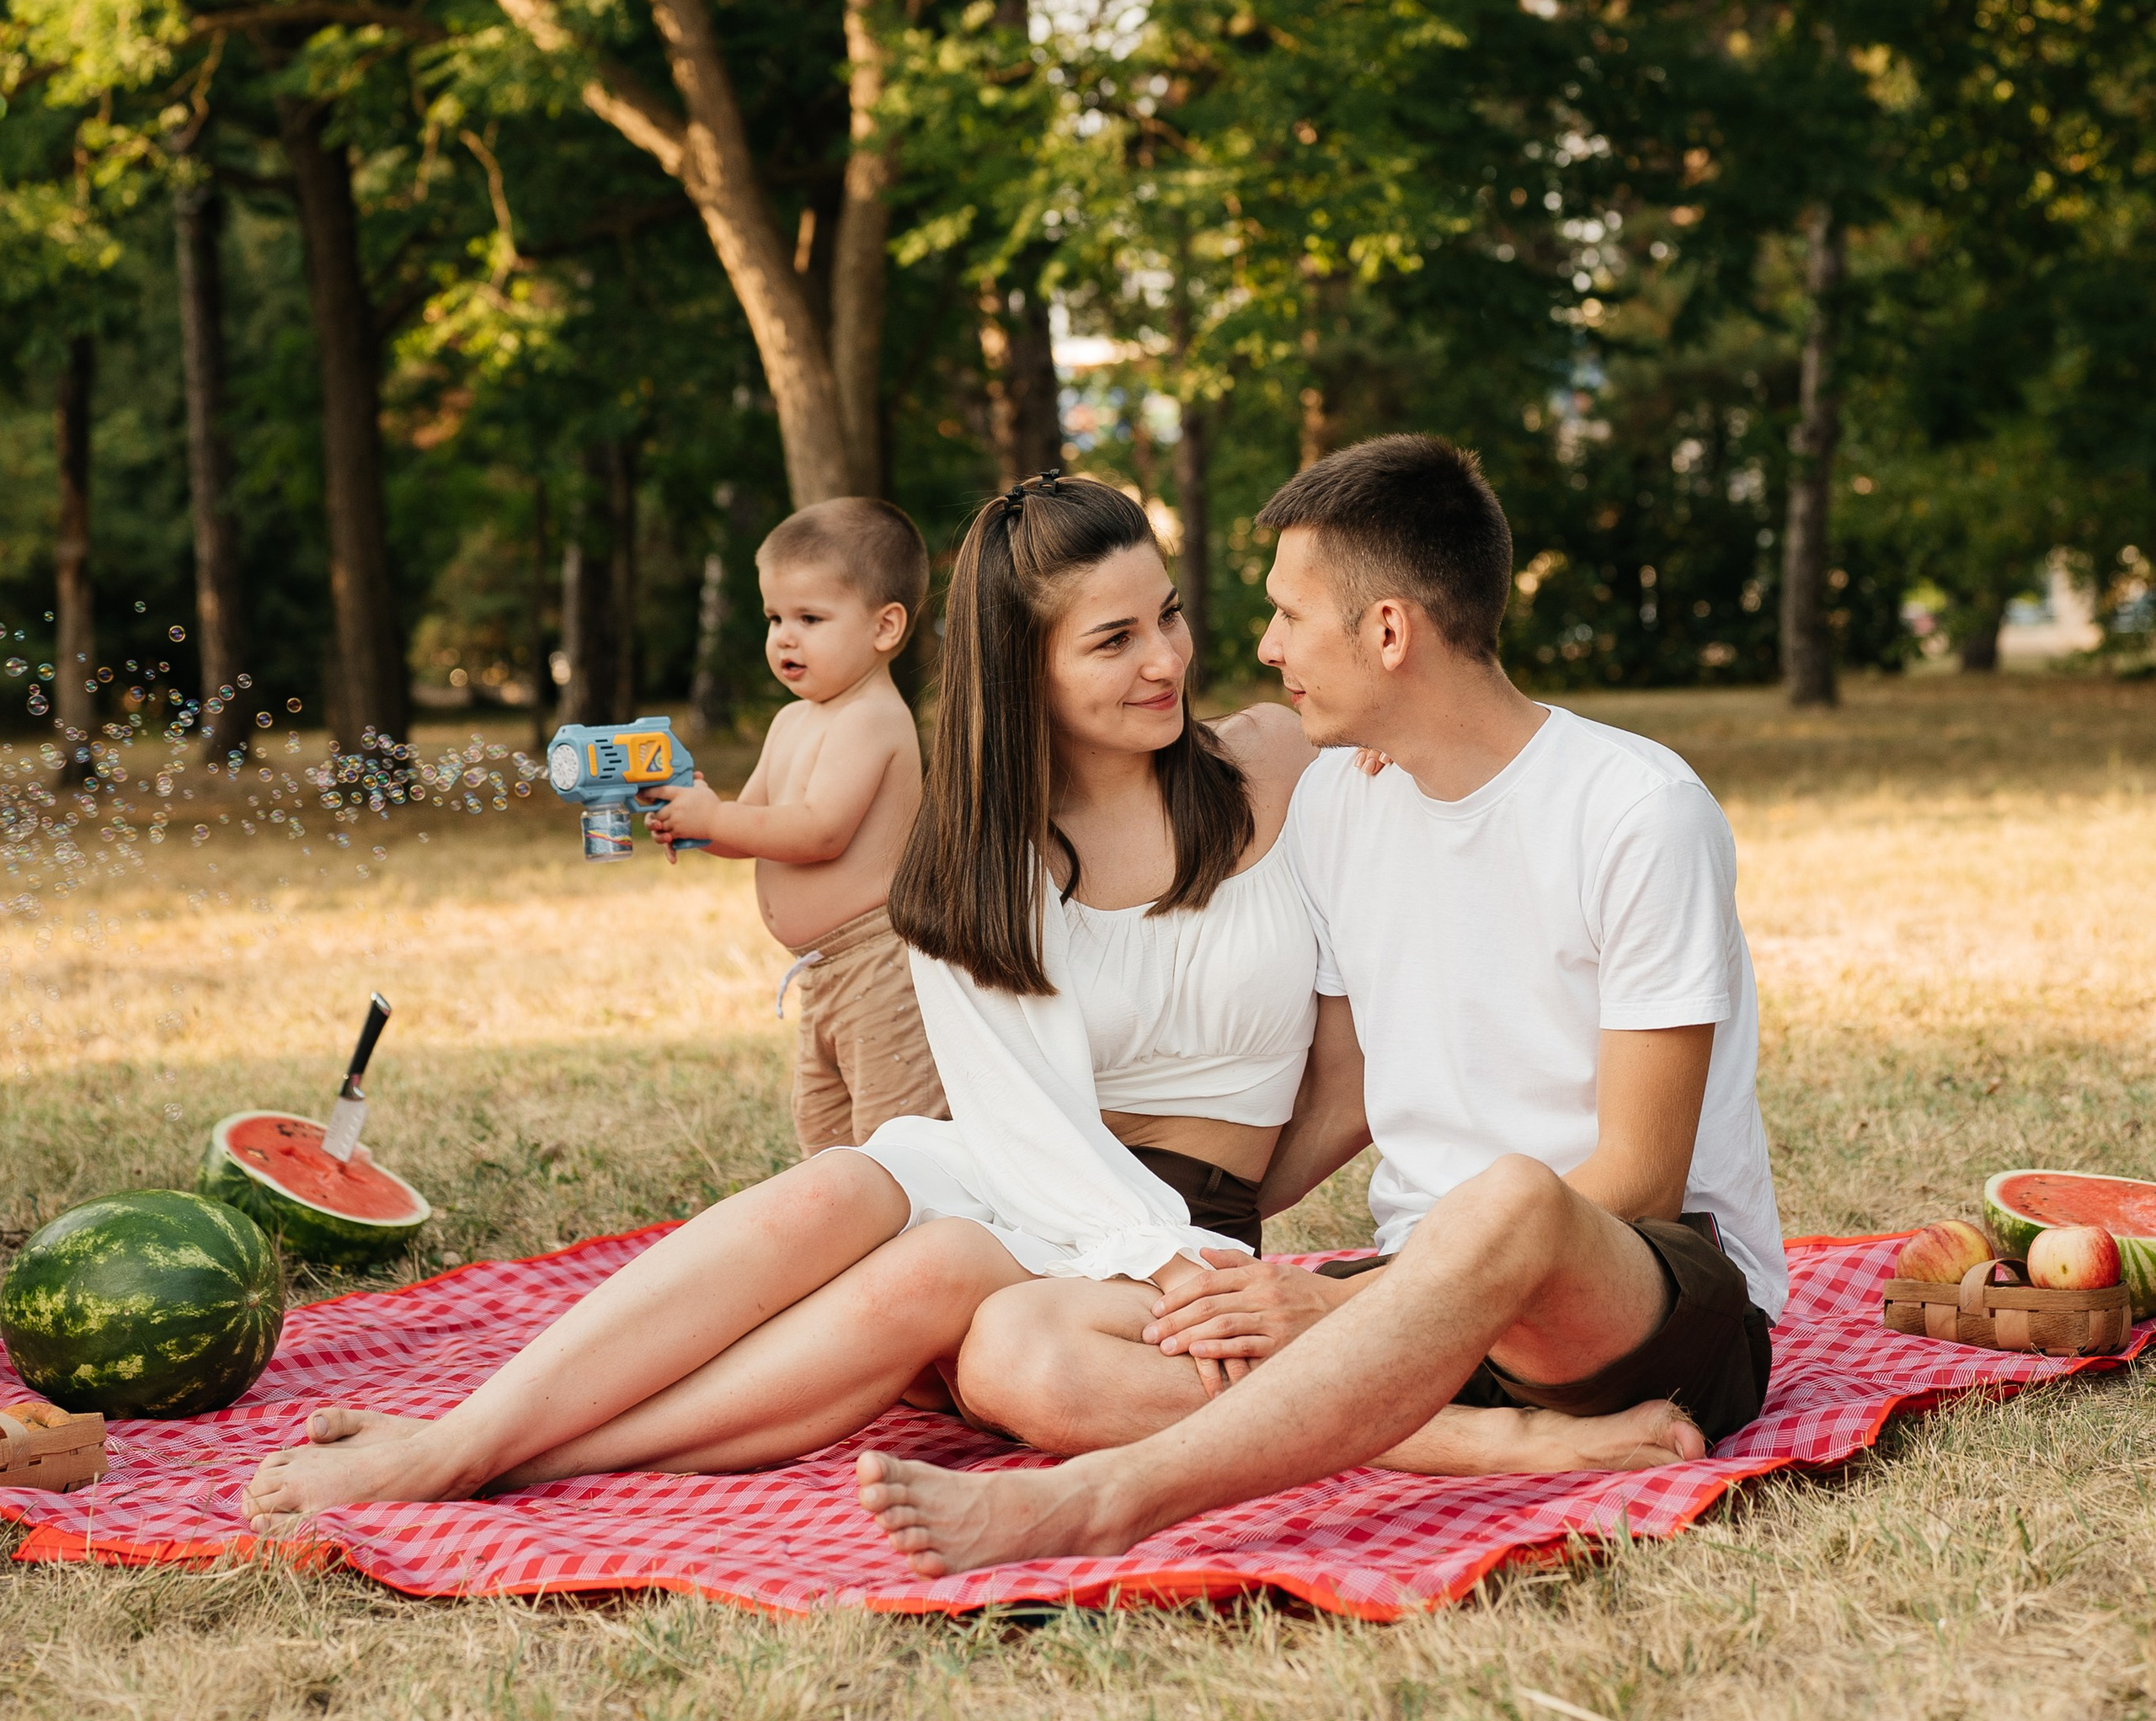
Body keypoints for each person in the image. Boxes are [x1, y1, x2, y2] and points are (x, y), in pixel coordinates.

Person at [243, 469, 1668, 1527]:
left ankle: (486, 1455)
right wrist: (1155, 1252)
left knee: (933, 1273)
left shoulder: (1286, 765)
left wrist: (1220, 1236)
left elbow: (1392, 993)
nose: (1167, 659)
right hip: (1034, 1173)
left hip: (1169, 1227)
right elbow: (1022, 1124)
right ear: (1021, 667)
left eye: (1168, 616)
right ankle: (468, 1441)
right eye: (1112, 640)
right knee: (847, 1187)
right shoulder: (973, 864)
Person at [856, 432, 1785, 1578]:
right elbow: (1343, 1088)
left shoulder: (1636, 809)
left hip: (1634, 1293)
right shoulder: (1344, 804)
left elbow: (1639, 1176)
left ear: (1388, 632)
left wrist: (1342, 1308)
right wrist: (1179, 1253)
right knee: (1015, 1344)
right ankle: (1491, 1447)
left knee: (1507, 1199)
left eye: (1290, 614)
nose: (1262, 647)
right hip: (1419, 1300)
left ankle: (1107, 1499)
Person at [648, 497, 946, 1151]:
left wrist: (717, 817)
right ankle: (840, 1210)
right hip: (821, 970)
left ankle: (916, 1215)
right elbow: (753, 825)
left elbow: (818, 833)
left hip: (879, 966)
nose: (785, 636)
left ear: (885, 627)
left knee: (897, 1136)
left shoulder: (871, 717)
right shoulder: (791, 722)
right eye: (775, 617)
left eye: (810, 618)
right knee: (823, 1127)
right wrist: (695, 819)